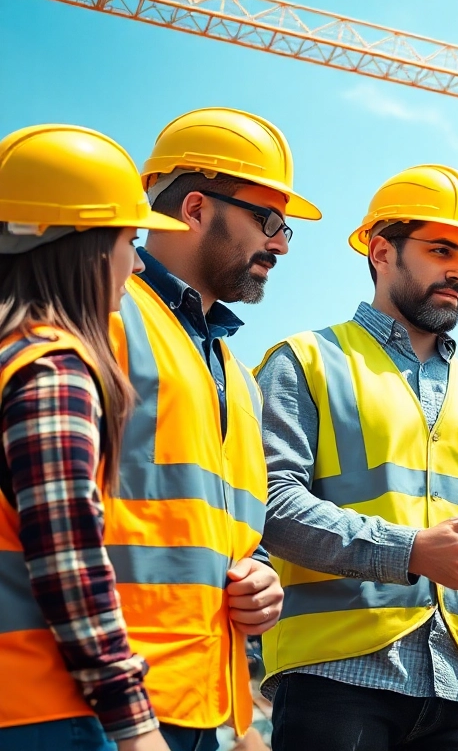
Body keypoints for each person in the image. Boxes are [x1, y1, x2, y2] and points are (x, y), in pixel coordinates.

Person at [255, 164, 458, 751]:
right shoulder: (306, 361)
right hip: (335, 678)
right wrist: (412, 551)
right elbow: (269, 504)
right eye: (442, 250)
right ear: (381, 251)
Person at [106, 107, 321, 751]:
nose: (280, 245)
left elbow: (219, 527)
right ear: (196, 207)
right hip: (107, 700)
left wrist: (259, 580)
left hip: (205, 703)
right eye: (268, 220)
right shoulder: (108, 316)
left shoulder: (234, 370)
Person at [0, 124, 187, 750]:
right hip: (40, 712)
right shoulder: (49, 369)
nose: (137, 263)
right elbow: (68, 555)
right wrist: (133, 721)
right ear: (76, 244)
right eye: (129, 240)